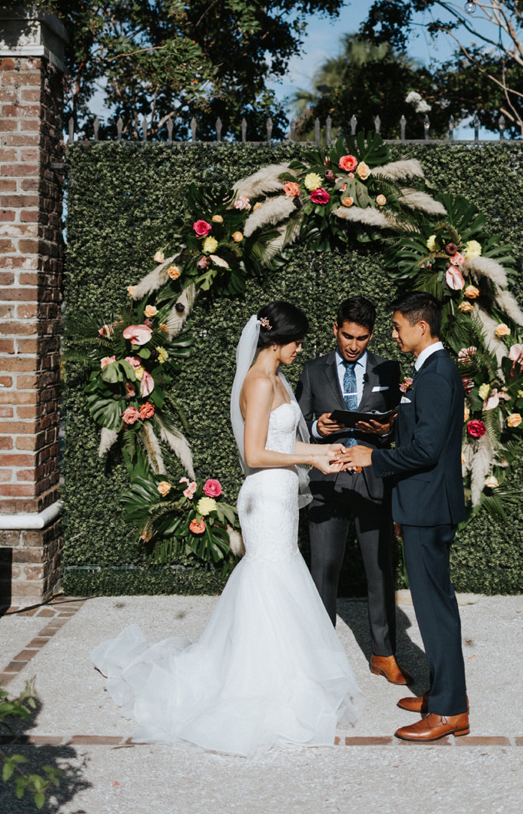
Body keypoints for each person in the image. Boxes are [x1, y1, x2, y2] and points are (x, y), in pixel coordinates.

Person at [91, 300, 361, 755]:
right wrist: (309, 457)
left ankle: (281, 675)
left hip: (280, 497)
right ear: (276, 340)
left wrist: (320, 453)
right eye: (296, 342)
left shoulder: (277, 379)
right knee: (269, 578)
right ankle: (257, 684)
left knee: (280, 578)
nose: (300, 350)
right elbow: (255, 454)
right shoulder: (257, 383)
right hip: (264, 497)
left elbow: (281, 440)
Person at [337, 291, 468, 742]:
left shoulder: (434, 374)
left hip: (430, 507)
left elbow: (427, 449)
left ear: (421, 327)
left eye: (396, 327)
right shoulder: (433, 369)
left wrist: (374, 457)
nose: (392, 335)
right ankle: (445, 694)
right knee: (435, 606)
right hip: (422, 504)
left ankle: (450, 710)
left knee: (434, 611)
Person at [297, 295, 405, 686]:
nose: (353, 345)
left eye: (361, 338)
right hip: (327, 484)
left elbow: (400, 425)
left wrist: (386, 430)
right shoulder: (311, 370)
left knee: (380, 572)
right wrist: (316, 429)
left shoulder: (387, 369)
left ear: (372, 335)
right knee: (323, 572)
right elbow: (296, 425)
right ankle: (322, 656)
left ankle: (384, 654)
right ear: (335, 328)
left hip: (373, 483)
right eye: (346, 335)